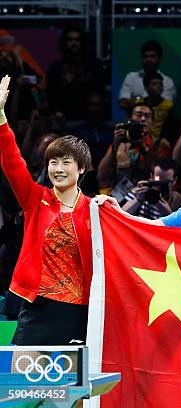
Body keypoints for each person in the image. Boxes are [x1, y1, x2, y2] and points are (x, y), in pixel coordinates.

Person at [0, 75, 93, 345]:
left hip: (77, 311)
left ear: (82, 168)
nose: (58, 169)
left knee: (74, 386)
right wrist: (1, 118)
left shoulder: (94, 210)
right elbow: (12, 161)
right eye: (53, 162)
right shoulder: (35, 200)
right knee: (20, 383)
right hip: (36, 306)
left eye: (66, 162)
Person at [118, 40, 176, 112]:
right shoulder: (131, 77)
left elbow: (166, 107)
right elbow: (122, 103)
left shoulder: (167, 81)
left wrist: (137, 101)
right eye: (145, 56)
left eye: (152, 56)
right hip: (135, 122)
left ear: (159, 59)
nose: (148, 59)